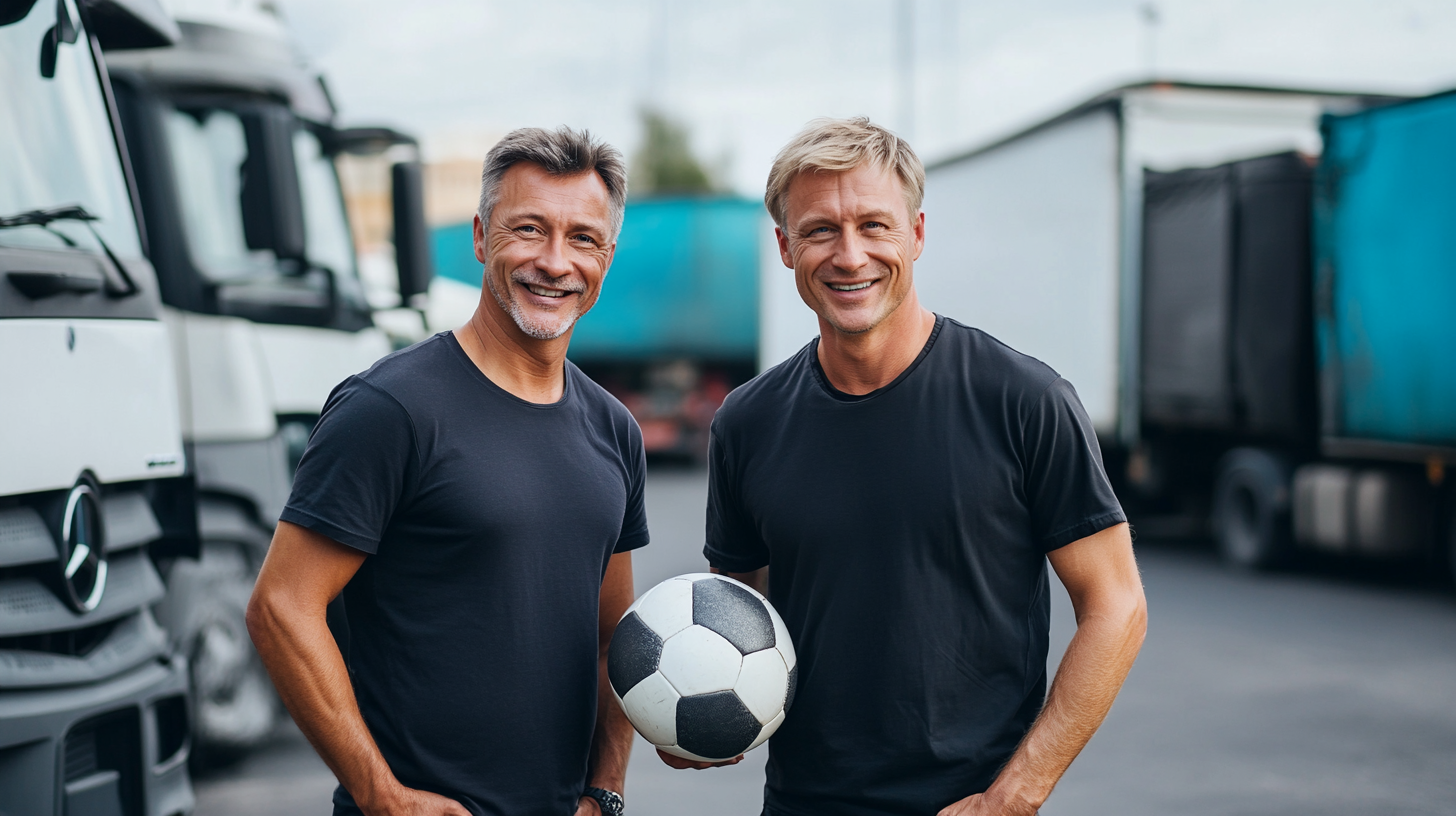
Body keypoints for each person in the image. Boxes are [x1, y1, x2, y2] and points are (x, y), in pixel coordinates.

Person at [665, 117, 1148, 816]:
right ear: (785, 247)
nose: (850, 254)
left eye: (874, 226)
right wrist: (701, 708)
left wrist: (1017, 793)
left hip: (970, 804)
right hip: (803, 802)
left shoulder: (1022, 401)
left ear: (916, 234)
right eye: (821, 230)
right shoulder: (748, 422)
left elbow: (1117, 605)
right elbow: (735, 616)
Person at [247, 127, 644, 816]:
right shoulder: (390, 408)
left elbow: (616, 638)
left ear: (606, 258)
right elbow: (282, 608)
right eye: (529, 229)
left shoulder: (615, 430)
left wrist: (603, 792)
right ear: (481, 237)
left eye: (582, 238)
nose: (555, 261)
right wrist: (381, 795)